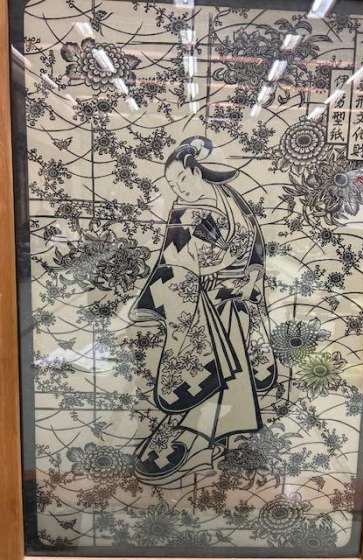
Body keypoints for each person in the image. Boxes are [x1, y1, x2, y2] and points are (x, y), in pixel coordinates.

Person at [129, 136, 277, 486]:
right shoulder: (183, 212)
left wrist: (251, 277)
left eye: (181, 178)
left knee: (233, 373)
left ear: (196, 171)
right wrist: (216, 272)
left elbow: (256, 247)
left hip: (238, 303)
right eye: (172, 185)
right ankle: (190, 438)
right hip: (204, 305)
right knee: (204, 370)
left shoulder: (231, 199)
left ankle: (223, 441)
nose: (179, 188)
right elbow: (176, 264)